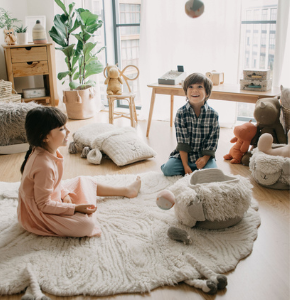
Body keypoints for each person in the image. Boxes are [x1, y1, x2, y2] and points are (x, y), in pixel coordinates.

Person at [17, 106, 141, 237]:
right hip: (37, 215)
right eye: (62, 129)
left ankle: (126, 190)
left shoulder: (48, 152)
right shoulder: (43, 165)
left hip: (52, 200)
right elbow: (43, 205)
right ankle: (83, 205)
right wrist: (74, 208)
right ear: (44, 137)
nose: (68, 131)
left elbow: (55, 185)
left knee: (84, 180)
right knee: (85, 225)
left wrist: (64, 194)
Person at [161, 73, 219, 176]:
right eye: (190, 87)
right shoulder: (181, 113)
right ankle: (188, 169)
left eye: (199, 87)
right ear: (186, 92)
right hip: (184, 156)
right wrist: (185, 165)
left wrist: (205, 159)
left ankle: (200, 168)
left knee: (213, 173)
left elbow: (212, 141)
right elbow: (182, 142)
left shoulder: (213, 115)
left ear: (207, 93)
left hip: (203, 156)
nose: (194, 90)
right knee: (167, 170)